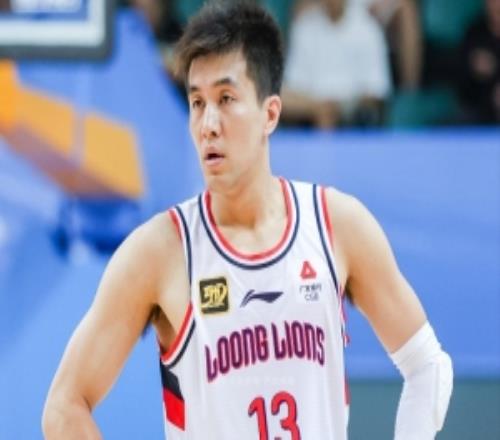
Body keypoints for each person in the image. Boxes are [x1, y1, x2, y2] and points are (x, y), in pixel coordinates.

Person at [42, 1, 453, 439]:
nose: (208, 124)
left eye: (225, 99)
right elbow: (65, 406)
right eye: (197, 102)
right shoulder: (160, 250)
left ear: (270, 114)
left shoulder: (336, 224)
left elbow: (428, 367)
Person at [281, 0, 392, 128]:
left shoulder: (369, 28)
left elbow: (376, 92)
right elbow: (293, 85)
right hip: (308, 114)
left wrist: (339, 107)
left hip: (352, 118)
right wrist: (318, 108)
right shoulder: (305, 26)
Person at [456, 0, 500, 124]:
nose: (497, 5)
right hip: (479, 113)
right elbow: (461, 88)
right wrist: (473, 69)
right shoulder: (474, 32)